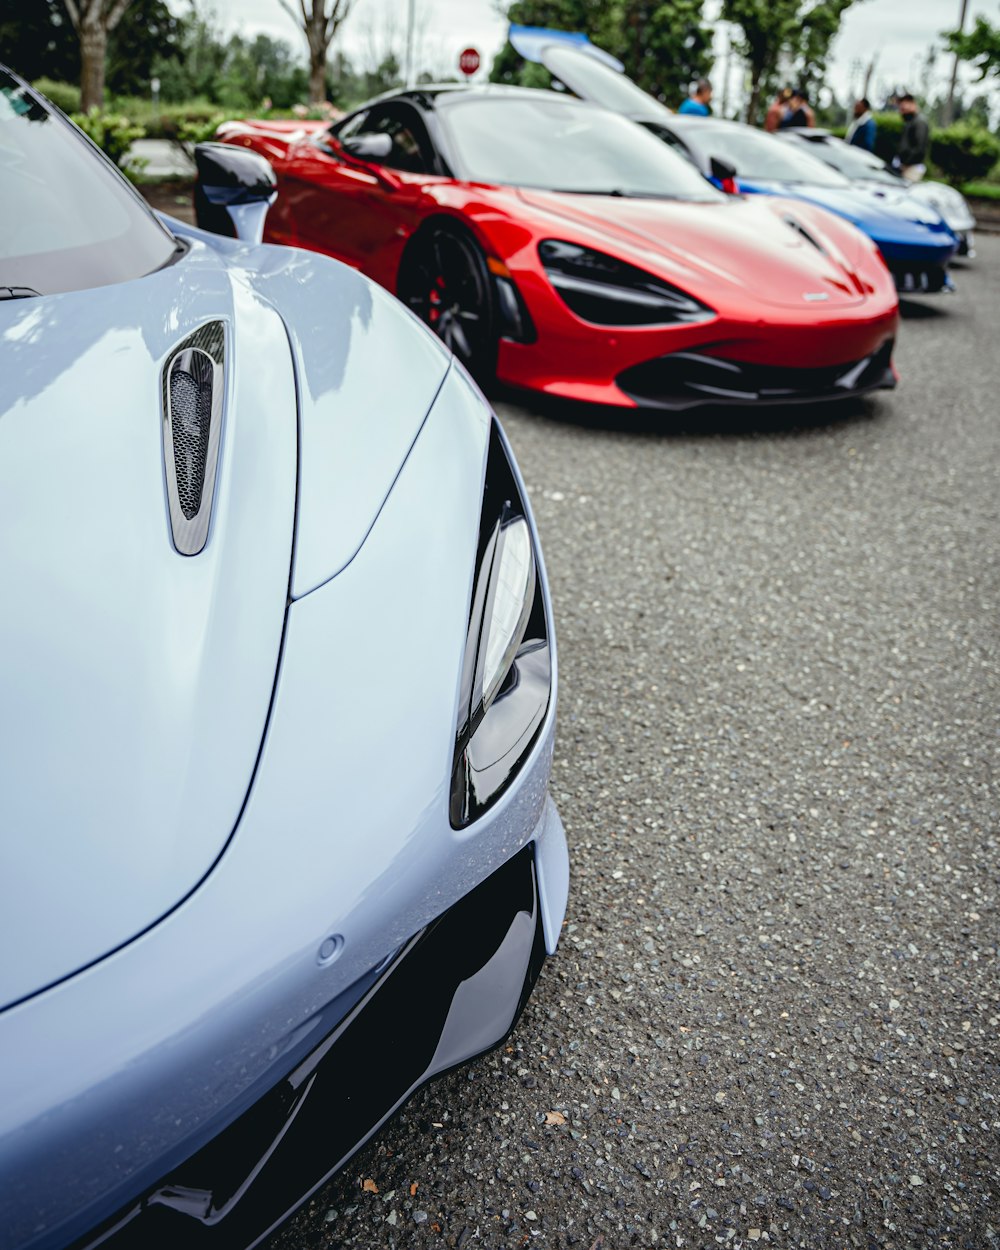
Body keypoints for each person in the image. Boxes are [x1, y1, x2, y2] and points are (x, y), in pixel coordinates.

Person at [896, 93, 929, 182]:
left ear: (913, 104)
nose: (902, 111)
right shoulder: (910, 121)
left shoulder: (919, 122)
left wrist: (905, 162)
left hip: (912, 168)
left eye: (904, 108)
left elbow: (919, 148)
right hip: (905, 166)